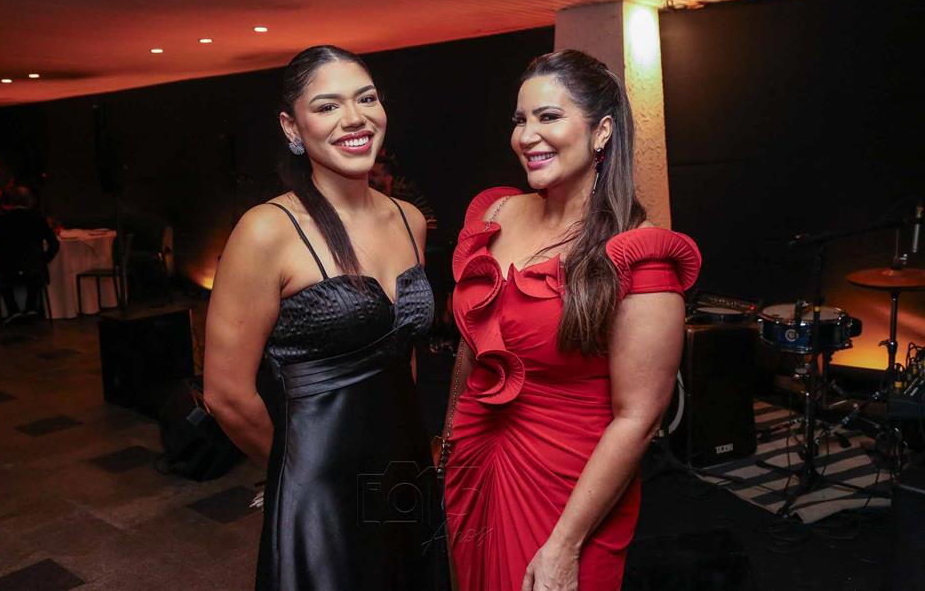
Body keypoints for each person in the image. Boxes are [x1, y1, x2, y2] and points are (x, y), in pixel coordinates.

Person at [442, 50, 701, 591]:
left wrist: (566, 544)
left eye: (549, 117)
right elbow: (471, 344)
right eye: (520, 119)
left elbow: (638, 418)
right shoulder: (494, 216)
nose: (527, 136)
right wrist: (449, 441)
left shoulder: (638, 255)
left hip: (567, 488)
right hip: (476, 460)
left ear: (601, 131)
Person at [203, 46, 446, 591]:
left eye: (366, 99)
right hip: (318, 491)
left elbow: (400, 356)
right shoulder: (266, 230)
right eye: (328, 106)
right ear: (293, 126)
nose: (354, 118)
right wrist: (296, 472)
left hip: (405, 473)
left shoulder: (409, 220)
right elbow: (225, 394)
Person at [0, 186, 59, 322]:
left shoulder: (0, 219)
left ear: (9, 201)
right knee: (34, 273)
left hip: (7, 270)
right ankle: (31, 307)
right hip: (35, 270)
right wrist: (43, 259)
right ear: (29, 200)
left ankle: (13, 309)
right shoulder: (38, 218)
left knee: (3, 275)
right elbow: (54, 244)